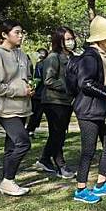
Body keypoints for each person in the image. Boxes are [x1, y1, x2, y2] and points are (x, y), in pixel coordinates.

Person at [72, 16, 106, 204]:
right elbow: (85, 83)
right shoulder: (90, 56)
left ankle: (101, 183)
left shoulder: (104, 57)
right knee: (88, 150)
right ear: (101, 38)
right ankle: (80, 189)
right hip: (89, 112)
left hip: (105, 112)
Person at [0, 20, 34, 196]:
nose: (21, 36)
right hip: (5, 108)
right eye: (17, 32)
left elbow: (25, 77)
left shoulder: (21, 54)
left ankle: (8, 181)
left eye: (22, 32)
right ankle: (8, 180)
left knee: (12, 146)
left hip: (22, 107)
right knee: (23, 143)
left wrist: (29, 88)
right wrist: (19, 90)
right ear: (4, 35)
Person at [35, 27, 76, 179]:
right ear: (59, 41)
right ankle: (61, 165)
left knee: (58, 133)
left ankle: (44, 159)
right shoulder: (53, 57)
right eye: (67, 39)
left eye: (72, 38)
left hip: (67, 101)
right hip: (54, 101)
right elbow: (48, 80)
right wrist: (68, 87)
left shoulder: (72, 56)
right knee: (57, 133)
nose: (70, 42)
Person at [26, 48, 48, 137]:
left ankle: (30, 130)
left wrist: (33, 88)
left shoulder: (40, 64)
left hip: (39, 94)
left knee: (36, 114)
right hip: (42, 93)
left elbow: (37, 79)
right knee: (37, 114)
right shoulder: (44, 64)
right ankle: (30, 130)